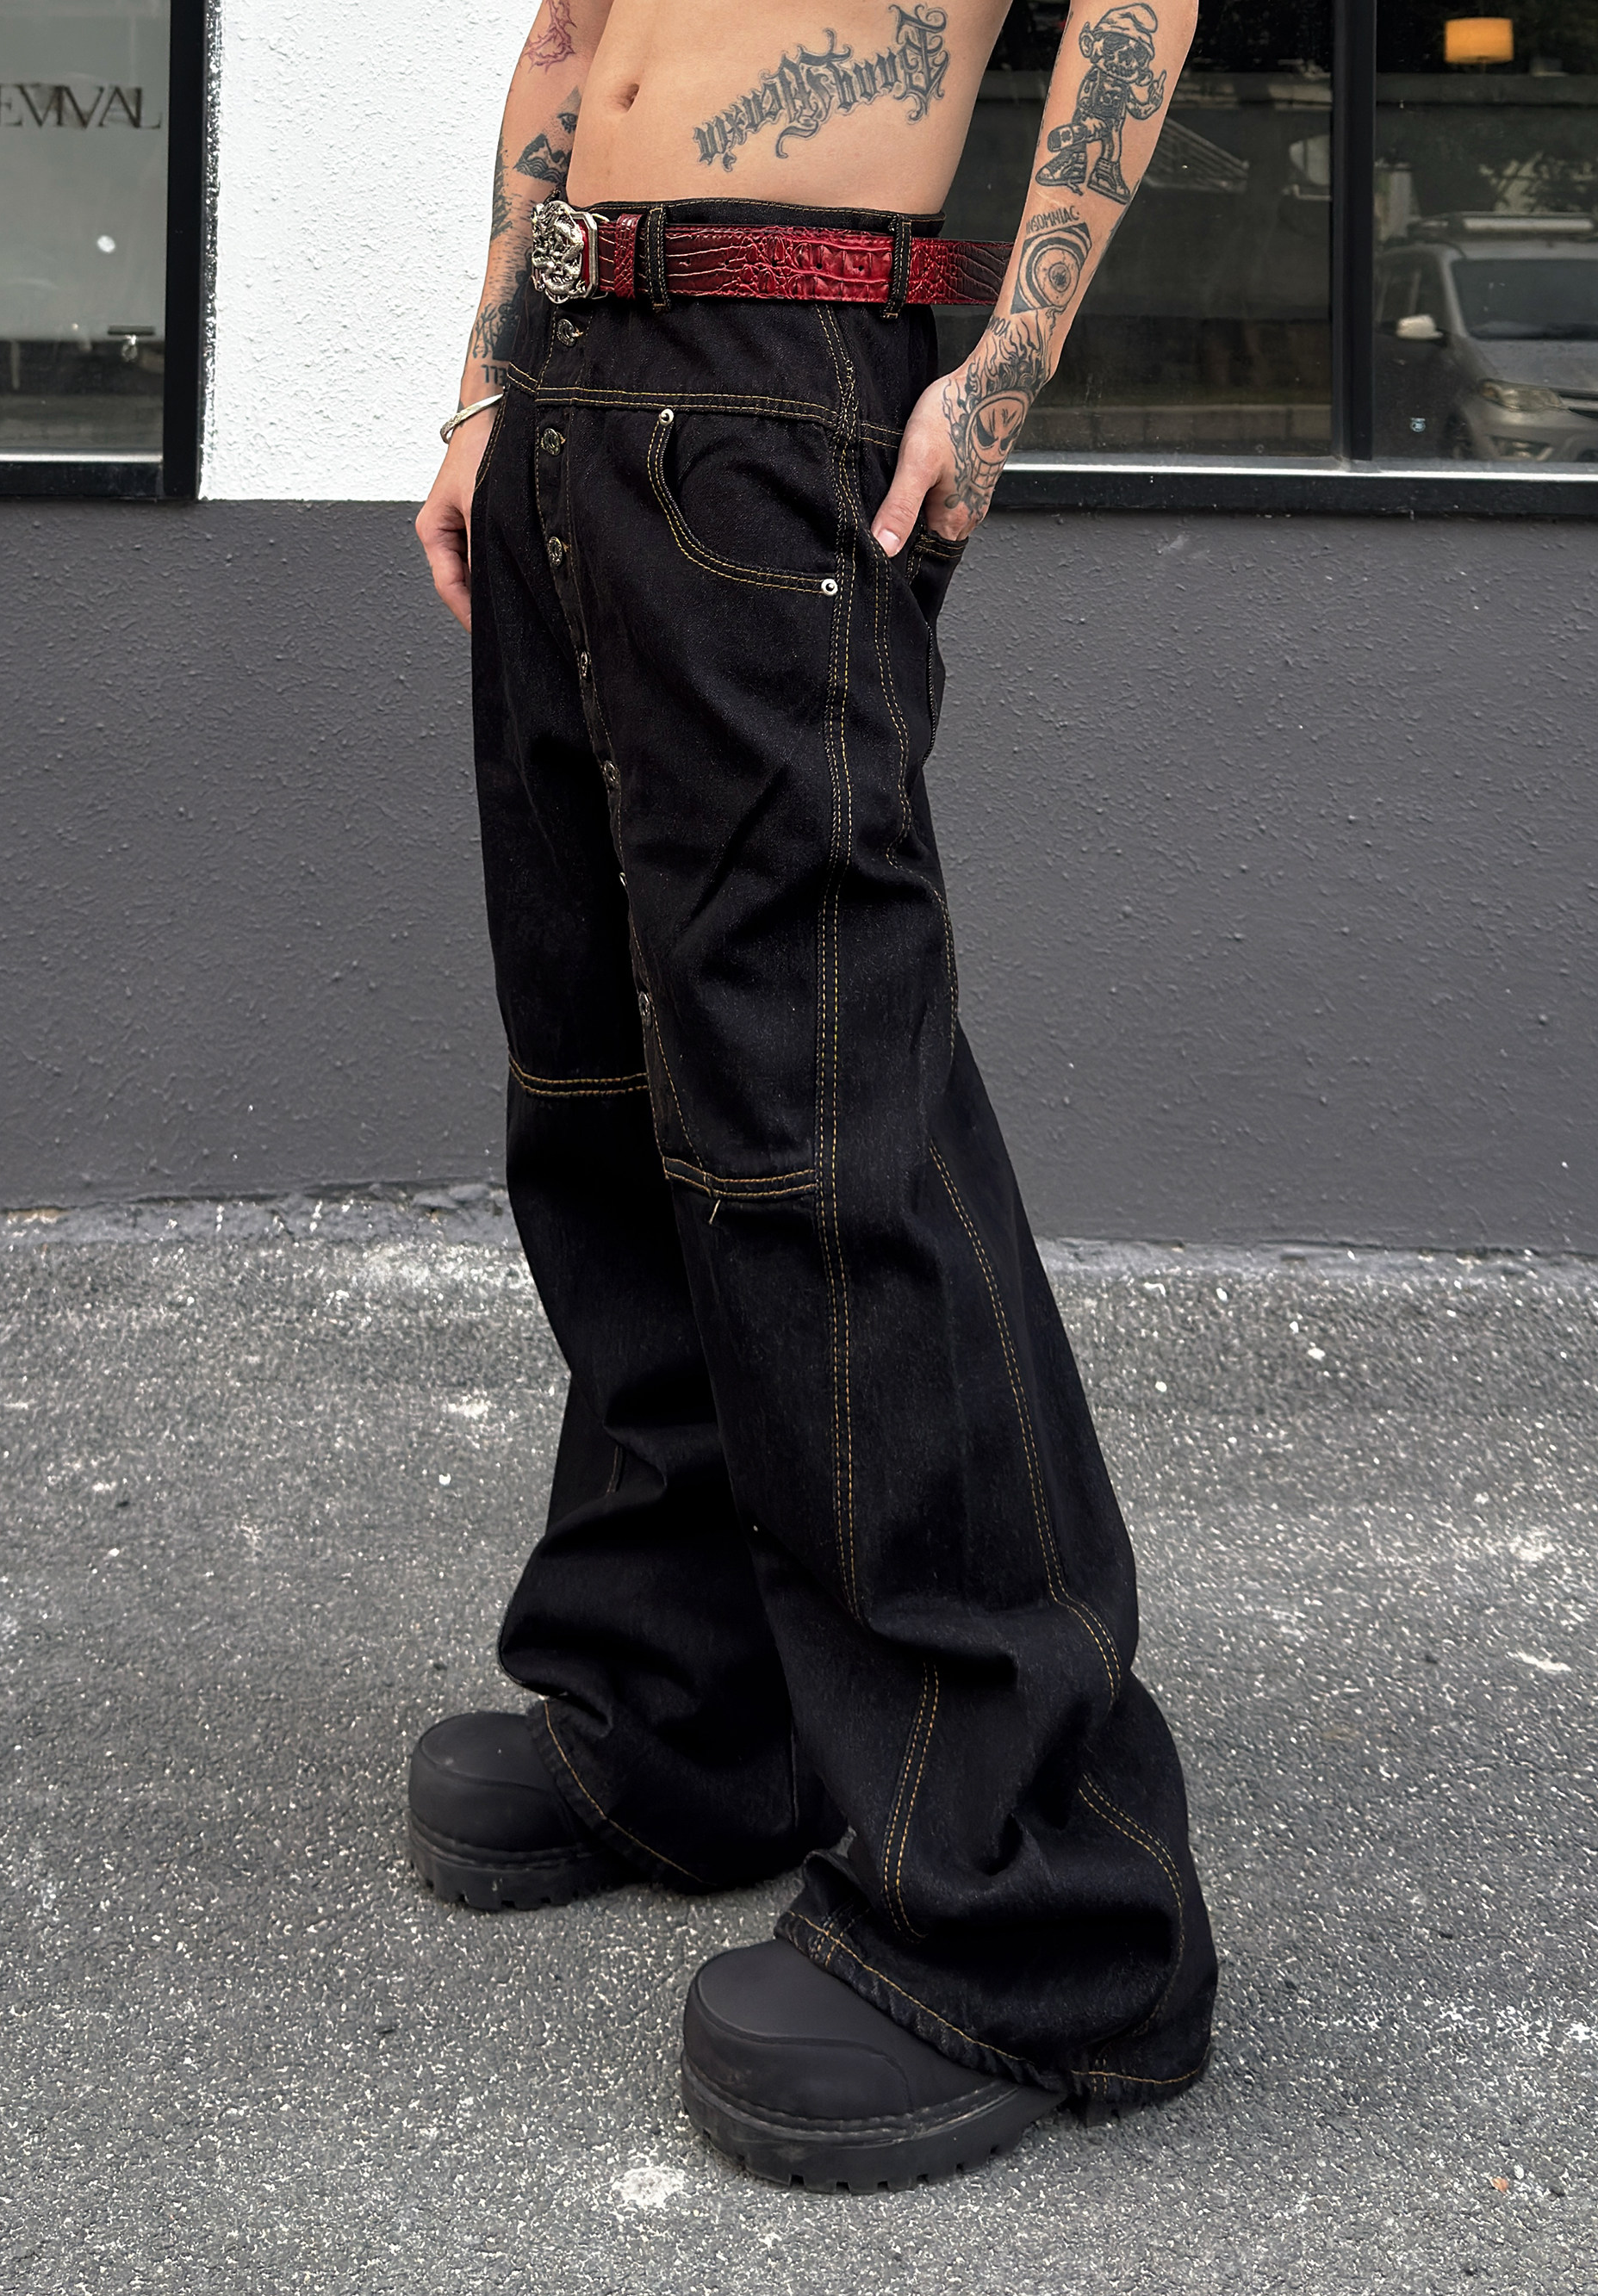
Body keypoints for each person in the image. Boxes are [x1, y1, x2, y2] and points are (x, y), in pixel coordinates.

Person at [412, 0, 1215, 2192]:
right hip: (585, 379)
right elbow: (573, 31)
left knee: (824, 1123)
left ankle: (1040, 1909)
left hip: (781, 380)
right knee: (600, 1097)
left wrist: (1001, 375)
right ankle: (686, 1710)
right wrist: (496, 374)